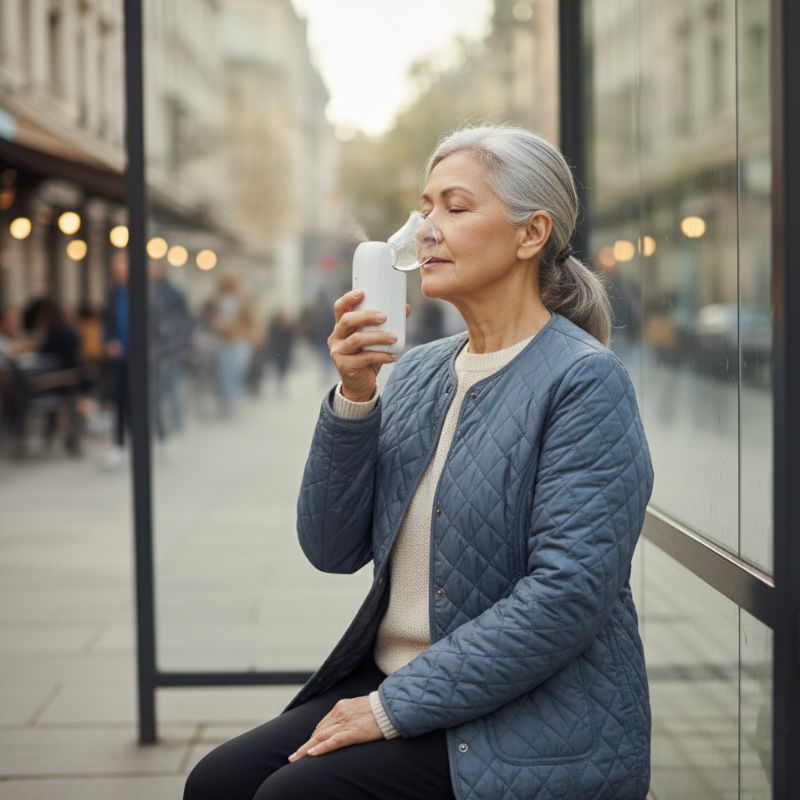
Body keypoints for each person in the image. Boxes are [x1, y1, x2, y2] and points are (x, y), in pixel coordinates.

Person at [184, 125, 655, 800]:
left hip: (531, 719)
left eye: (456, 207)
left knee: (292, 798)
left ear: (530, 235)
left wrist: (386, 710)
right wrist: (355, 396)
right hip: (406, 689)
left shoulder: (584, 382)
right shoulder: (417, 373)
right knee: (217, 781)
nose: (426, 229)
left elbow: (567, 596)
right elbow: (331, 547)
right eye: (426, 207)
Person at [100, 251, 130, 470]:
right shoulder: (113, 292)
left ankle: (158, 437)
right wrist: (109, 342)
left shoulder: (141, 291)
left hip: (139, 356)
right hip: (119, 356)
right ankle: (119, 444)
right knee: (119, 400)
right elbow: (107, 323)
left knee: (140, 401)